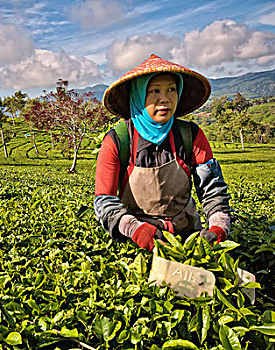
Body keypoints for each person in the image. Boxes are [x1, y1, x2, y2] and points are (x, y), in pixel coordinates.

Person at [95, 54, 231, 251]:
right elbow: (104, 200)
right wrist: (135, 229)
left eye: (171, 90)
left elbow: (212, 189)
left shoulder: (190, 135)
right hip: (136, 240)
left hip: (187, 236)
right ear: (139, 95)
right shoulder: (119, 140)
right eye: (154, 91)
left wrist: (219, 225)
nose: (165, 99)